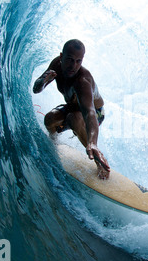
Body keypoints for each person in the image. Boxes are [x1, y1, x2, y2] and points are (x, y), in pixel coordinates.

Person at [33, 39, 110, 180]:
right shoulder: (56, 64)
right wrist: (42, 81)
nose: (73, 65)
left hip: (96, 112)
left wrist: (92, 142)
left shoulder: (83, 81)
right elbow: (36, 89)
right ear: (61, 56)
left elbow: (89, 113)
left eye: (78, 61)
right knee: (49, 119)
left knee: (73, 118)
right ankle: (53, 142)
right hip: (74, 108)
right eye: (69, 59)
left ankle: (99, 161)